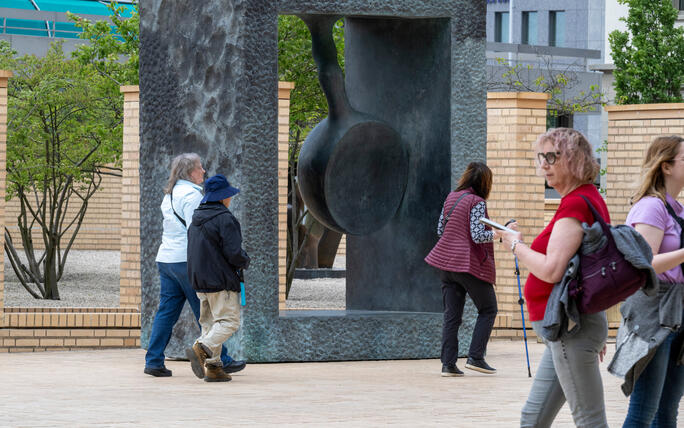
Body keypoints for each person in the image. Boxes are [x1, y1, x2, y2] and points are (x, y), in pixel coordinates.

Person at [499, 128, 610, 427]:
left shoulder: (576, 204)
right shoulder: (586, 198)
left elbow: (551, 269)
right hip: (566, 328)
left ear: (574, 159)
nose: (544, 165)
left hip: (569, 327)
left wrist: (514, 243)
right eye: (541, 157)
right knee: (533, 419)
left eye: (552, 156)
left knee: (590, 420)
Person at [144, 154, 246, 377]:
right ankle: (220, 360)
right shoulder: (191, 195)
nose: (203, 172)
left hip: (166, 259)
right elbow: (198, 231)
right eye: (200, 168)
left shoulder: (169, 194)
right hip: (186, 260)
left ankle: (153, 360)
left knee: (166, 312)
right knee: (208, 312)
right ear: (190, 172)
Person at [608, 135, 684, 427]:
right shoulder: (651, 207)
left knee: (667, 412)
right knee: (643, 413)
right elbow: (646, 262)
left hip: (675, 312)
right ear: (666, 166)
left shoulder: (675, 208)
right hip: (652, 312)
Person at [425, 161, 499, 377]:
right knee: (488, 309)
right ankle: (476, 357)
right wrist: (498, 234)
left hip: (446, 265)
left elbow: (441, 229)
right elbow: (477, 236)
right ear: (484, 182)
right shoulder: (476, 202)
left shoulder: (451, 198)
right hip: (466, 264)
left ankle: (448, 364)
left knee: (452, 315)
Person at [186, 174, 250, 382]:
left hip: (199, 280)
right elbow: (233, 252)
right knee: (229, 321)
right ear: (223, 197)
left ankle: (213, 368)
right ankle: (202, 347)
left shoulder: (196, 219)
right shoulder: (225, 219)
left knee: (210, 323)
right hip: (221, 280)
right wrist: (244, 260)